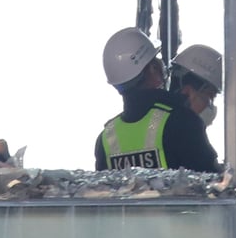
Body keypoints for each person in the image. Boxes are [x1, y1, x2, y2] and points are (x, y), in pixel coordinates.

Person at [95, 28, 221, 173]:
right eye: (158, 60)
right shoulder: (183, 122)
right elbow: (213, 185)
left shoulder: (105, 139)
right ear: (153, 70)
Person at [170, 43, 223, 131]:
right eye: (210, 95)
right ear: (187, 91)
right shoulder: (184, 136)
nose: (210, 106)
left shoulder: (159, 124)